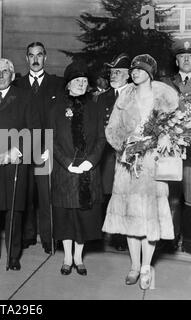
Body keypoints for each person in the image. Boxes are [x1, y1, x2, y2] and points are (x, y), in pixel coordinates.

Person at [102, 54, 178, 290]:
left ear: (150, 73)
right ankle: (134, 266)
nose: (134, 72)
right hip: (128, 165)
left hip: (153, 165)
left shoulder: (165, 96)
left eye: (140, 69)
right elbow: (112, 128)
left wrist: (167, 135)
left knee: (150, 220)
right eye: (133, 69)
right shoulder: (125, 96)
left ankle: (146, 267)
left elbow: (180, 123)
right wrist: (125, 146)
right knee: (130, 219)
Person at [0, 58, 40, 271]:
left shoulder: (24, 97)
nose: (1, 75)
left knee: (14, 210)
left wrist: (17, 150)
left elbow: (33, 130)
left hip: (14, 161)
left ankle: (13, 256)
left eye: (5, 71)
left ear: (12, 75)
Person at [49, 60, 105, 276]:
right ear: (68, 84)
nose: (81, 84)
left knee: (83, 218)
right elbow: (51, 139)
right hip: (65, 172)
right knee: (66, 218)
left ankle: (79, 257)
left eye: (84, 81)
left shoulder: (94, 106)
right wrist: (67, 163)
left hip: (88, 172)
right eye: (77, 81)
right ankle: (66, 257)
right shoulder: (56, 107)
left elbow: (101, 138)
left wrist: (91, 161)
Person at [13, 41, 63, 254]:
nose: (35, 59)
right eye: (31, 55)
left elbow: (60, 119)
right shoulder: (17, 85)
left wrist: (52, 146)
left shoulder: (56, 84)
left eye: (39, 55)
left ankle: (48, 237)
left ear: (45, 58)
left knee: (45, 195)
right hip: (24, 148)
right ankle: (27, 234)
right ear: (26, 59)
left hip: (46, 149)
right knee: (26, 194)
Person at [97, 53, 131, 251]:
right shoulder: (102, 98)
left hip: (127, 155)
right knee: (104, 194)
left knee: (124, 196)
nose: (113, 75)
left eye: (118, 72)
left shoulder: (135, 96)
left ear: (128, 75)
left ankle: (120, 238)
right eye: (111, 72)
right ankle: (101, 234)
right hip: (105, 156)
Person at [161, 38, 191, 254]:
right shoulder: (166, 83)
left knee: (190, 197)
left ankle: (188, 241)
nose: (187, 59)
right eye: (182, 56)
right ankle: (169, 239)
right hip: (171, 150)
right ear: (176, 60)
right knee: (170, 196)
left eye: (190, 56)